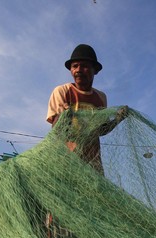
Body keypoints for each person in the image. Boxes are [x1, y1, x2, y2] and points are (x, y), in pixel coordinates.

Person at [46, 43, 125, 174]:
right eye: (75, 66)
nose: (78, 70)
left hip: (93, 163)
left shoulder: (101, 97)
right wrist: (64, 117)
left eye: (84, 66)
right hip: (66, 161)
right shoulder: (62, 91)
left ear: (95, 70)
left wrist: (118, 119)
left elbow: (101, 130)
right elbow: (56, 130)